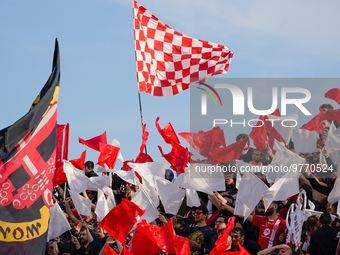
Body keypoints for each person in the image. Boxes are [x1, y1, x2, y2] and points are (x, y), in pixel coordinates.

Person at [218, 196, 286, 250]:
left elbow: (286, 239)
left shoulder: (283, 222)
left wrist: (283, 238)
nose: (266, 206)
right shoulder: (261, 219)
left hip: (273, 252)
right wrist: (225, 206)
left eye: (269, 204)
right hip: (260, 252)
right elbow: (240, 214)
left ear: (275, 207)